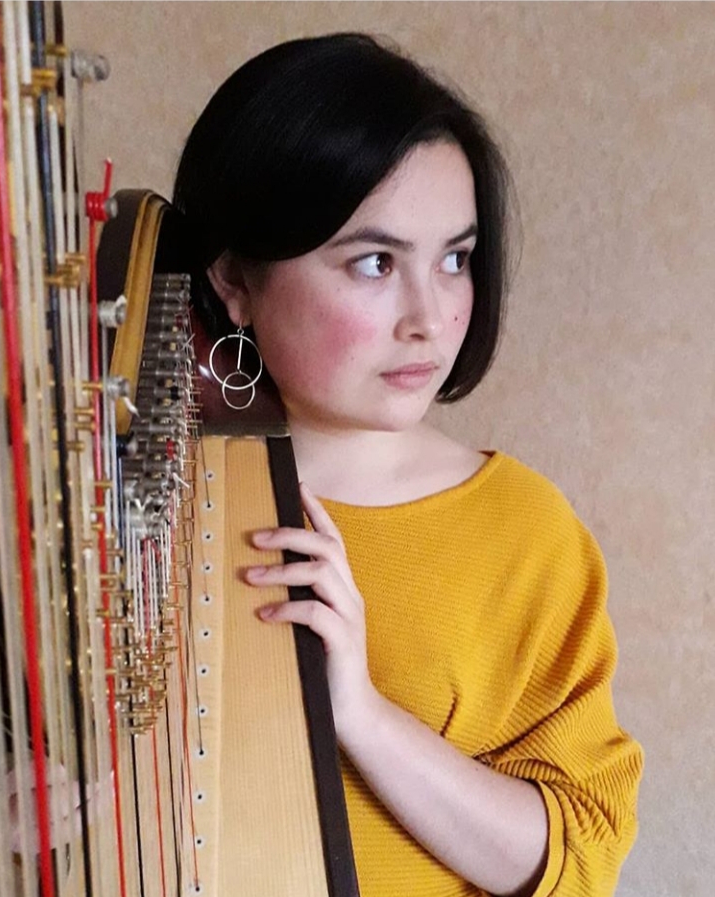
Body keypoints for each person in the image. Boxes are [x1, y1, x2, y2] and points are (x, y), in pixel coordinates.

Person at [174, 32, 643, 897]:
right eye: (375, 262)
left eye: (456, 259)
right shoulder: (127, 519)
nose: (429, 316)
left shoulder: (524, 530)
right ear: (235, 279)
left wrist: (360, 713)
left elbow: (581, 858)